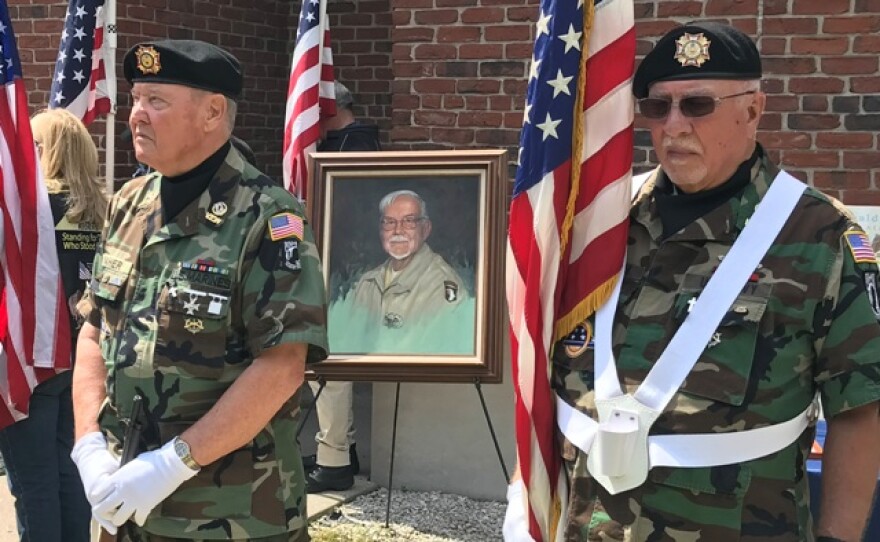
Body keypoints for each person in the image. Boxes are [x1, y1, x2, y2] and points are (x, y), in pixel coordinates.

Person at [505, 22, 880, 541]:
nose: (673, 125)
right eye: (657, 107)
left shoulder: (820, 236)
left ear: (753, 110)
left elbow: (860, 405)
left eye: (697, 105)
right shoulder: (601, 222)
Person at [69, 39, 328, 541]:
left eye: (156, 101)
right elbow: (94, 327)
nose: (136, 116)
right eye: (136, 99)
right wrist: (88, 446)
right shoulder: (128, 203)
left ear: (212, 113)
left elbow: (281, 367)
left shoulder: (269, 218)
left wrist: (170, 465)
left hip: (234, 515)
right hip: (125, 505)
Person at [0, 108, 106, 542]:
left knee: (34, 483)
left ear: (44, 150)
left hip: (35, 358)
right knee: (70, 473)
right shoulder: (103, 208)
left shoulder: (32, 211)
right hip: (84, 356)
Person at [304, 81, 380, 494]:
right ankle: (339, 448)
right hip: (335, 263)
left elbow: (352, 213)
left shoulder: (356, 148)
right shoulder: (343, 144)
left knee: (330, 365)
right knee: (327, 367)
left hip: (347, 267)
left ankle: (333, 460)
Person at [329, 190, 474, 354]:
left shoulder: (441, 284)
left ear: (425, 229)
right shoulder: (367, 282)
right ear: (380, 230)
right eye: (389, 222)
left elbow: (437, 351)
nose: (398, 230)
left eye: (409, 221)